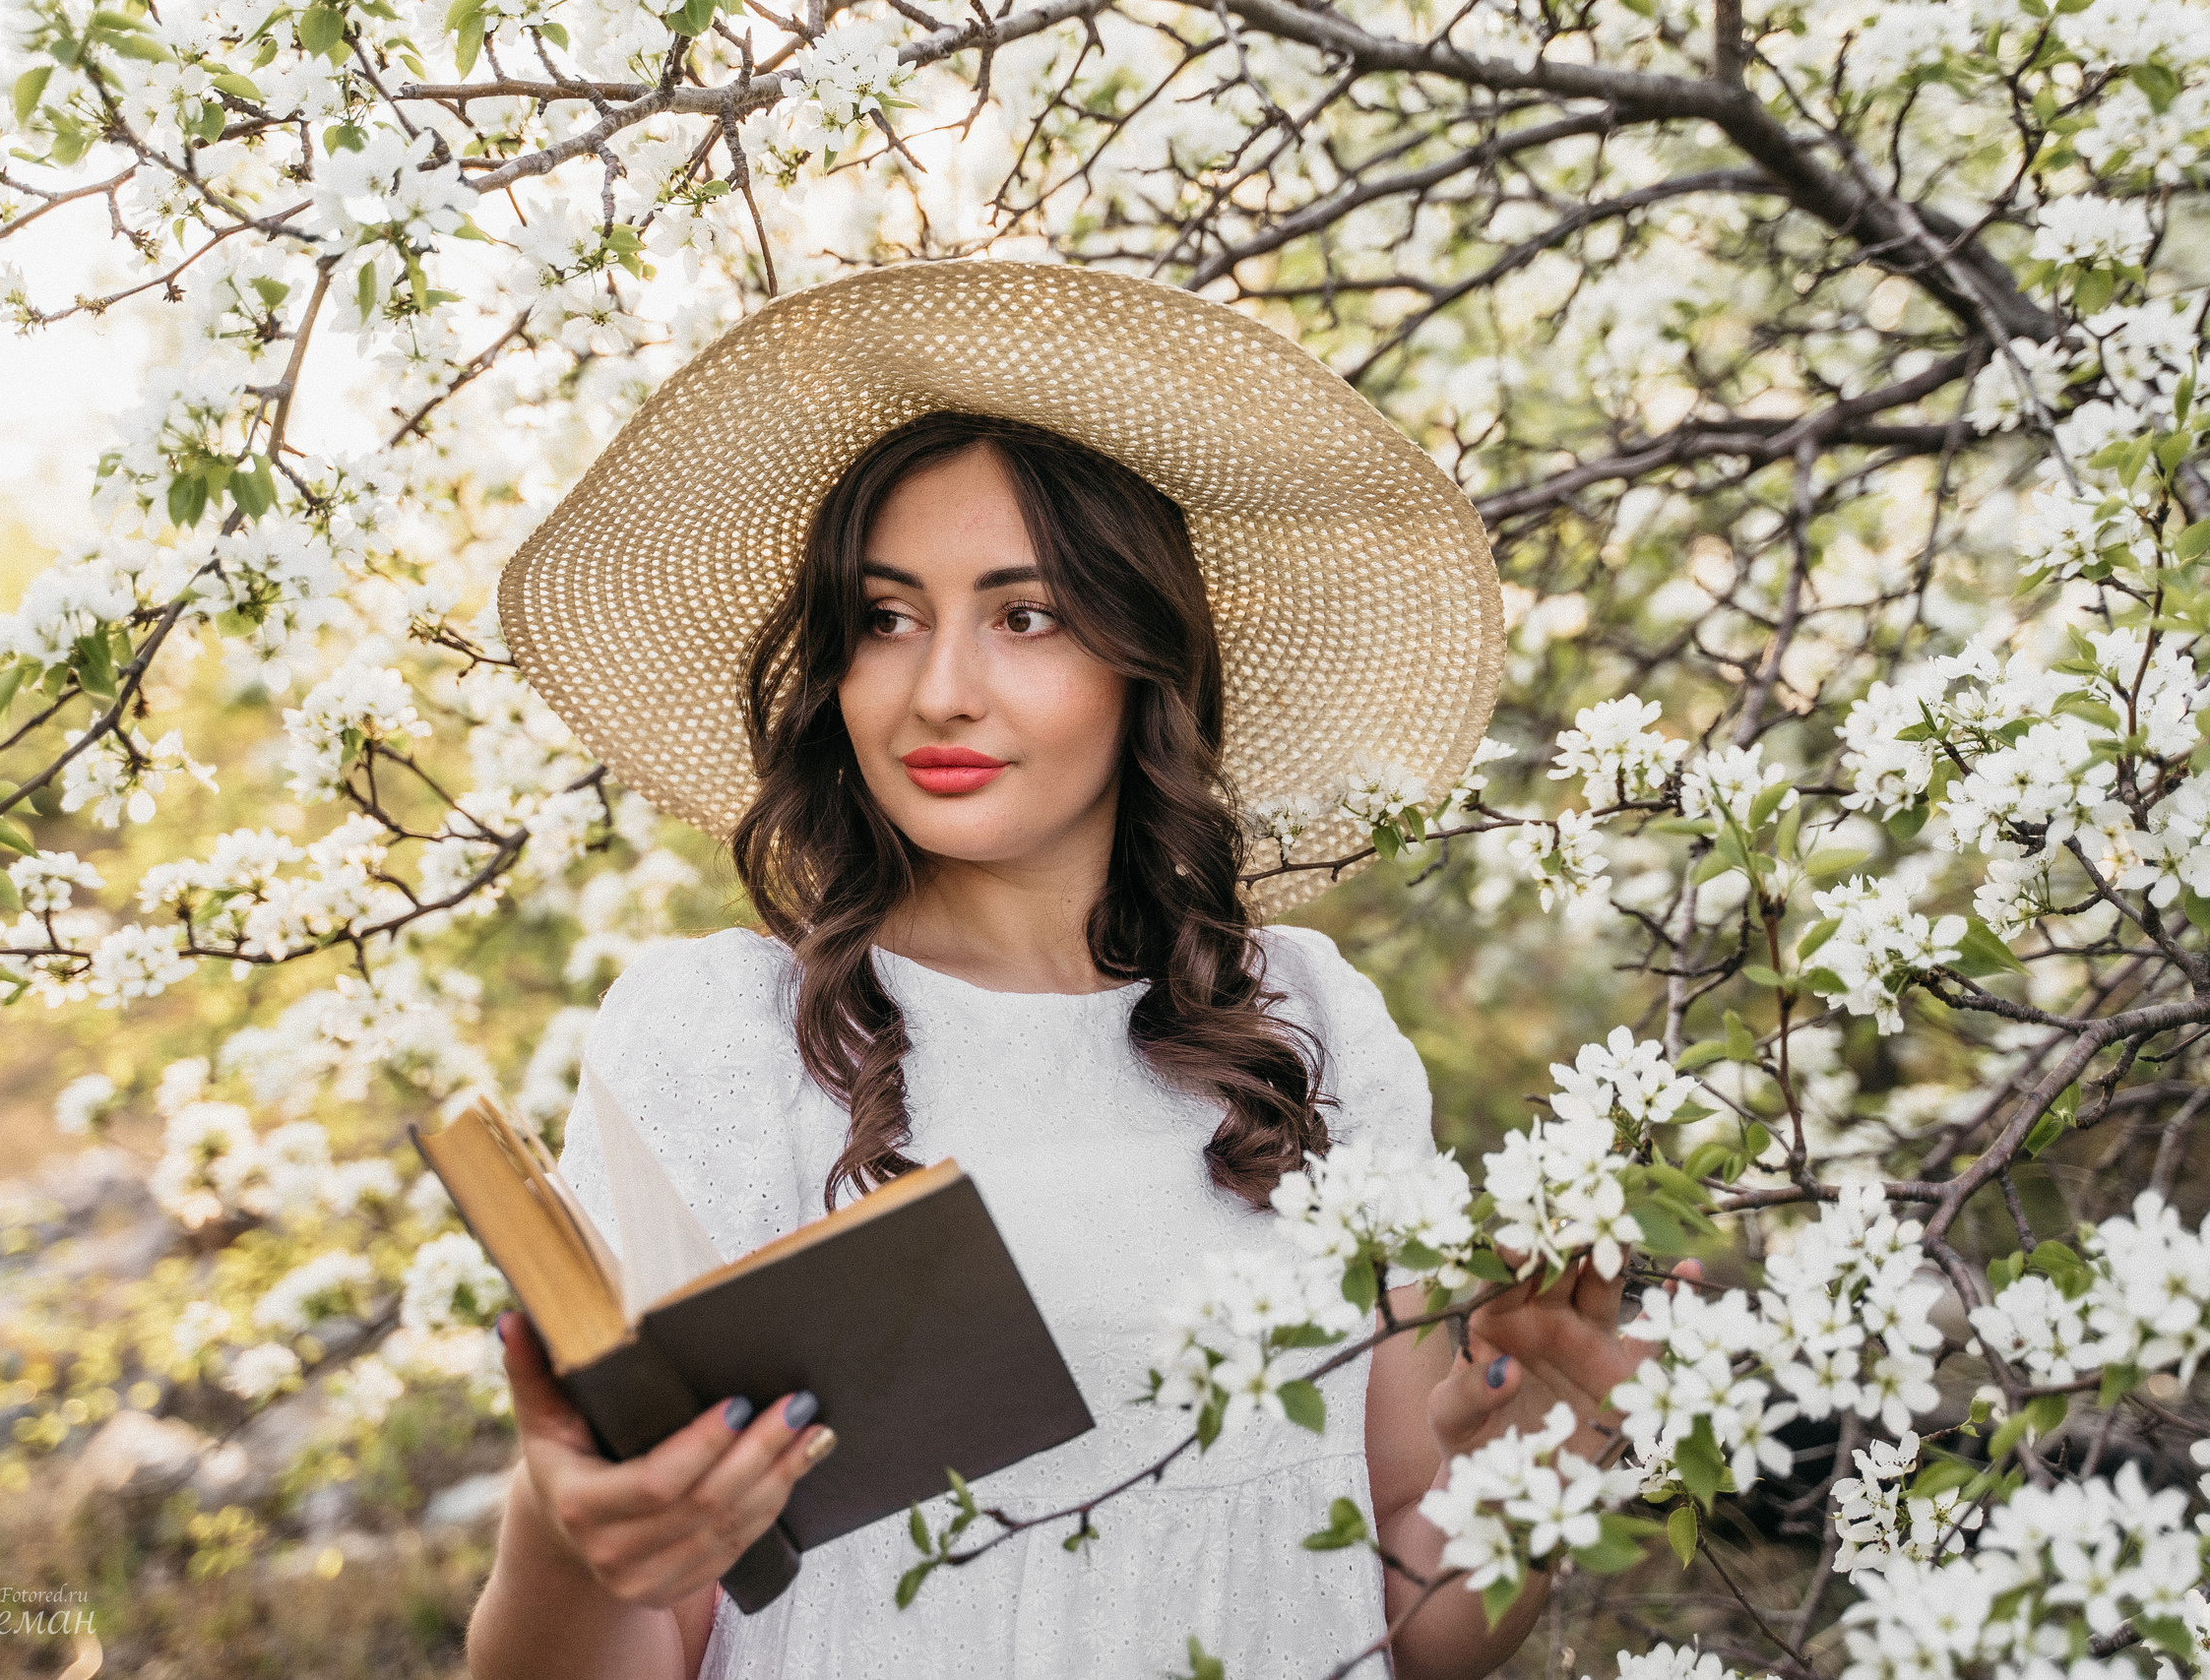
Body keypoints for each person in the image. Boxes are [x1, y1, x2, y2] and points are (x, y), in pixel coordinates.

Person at [465, 264, 1666, 1679]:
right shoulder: (726, 1040)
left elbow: (1405, 1623)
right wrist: (566, 1529)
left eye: (1024, 616)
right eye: (885, 617)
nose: (939, 690)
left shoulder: (1311, 1029)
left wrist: (1552, 1441)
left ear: (1145, 656)